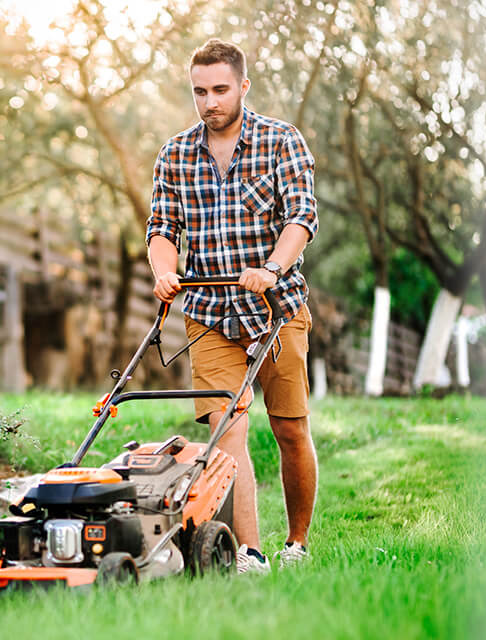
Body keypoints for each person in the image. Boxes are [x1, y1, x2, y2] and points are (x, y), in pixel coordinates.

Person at [145, 38, 318, 573]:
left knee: (290, 430)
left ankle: (296, 544)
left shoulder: (280, 141)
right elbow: (162, 228)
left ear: (243, 86)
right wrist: (164, 271)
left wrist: (271, 268)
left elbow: (300, 218)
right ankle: (251, 553)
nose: (209, 101)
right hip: (210, 313)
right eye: (199, 91)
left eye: (220, 89)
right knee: (227, 435)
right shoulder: (176, 154)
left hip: (275, 308)